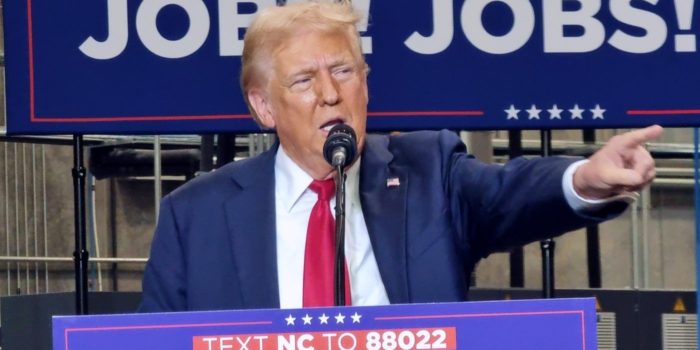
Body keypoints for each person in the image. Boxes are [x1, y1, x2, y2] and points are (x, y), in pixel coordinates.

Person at [139, 0, 662, 312]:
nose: (330, 94)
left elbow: (506, 196)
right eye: (304, 80)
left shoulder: (427, 171)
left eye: (343, 72)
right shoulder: (196, 216)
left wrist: (587, 179)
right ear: (263, 107)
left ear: (366, 85)